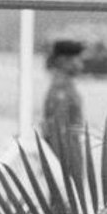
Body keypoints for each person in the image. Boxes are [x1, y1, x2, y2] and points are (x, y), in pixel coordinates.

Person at [41, 38, 86, 184]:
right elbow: (57, 132)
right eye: (77, 60)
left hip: (71, 150)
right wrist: (62, 168)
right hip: (66, 155)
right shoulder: (61, 90)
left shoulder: (65, 86)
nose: (81, 65)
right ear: (63, 61)